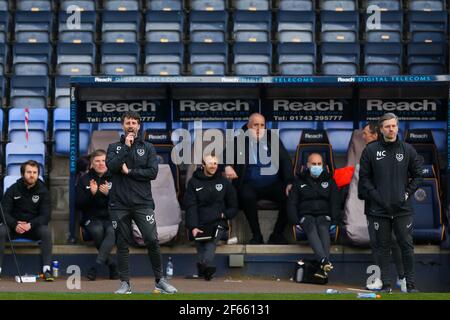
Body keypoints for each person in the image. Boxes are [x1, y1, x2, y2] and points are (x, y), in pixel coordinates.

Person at [106, 111, 177, 294]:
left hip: (142, 203)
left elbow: (152, 173)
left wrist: (130, 172)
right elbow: (112, 167)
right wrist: (126, 149)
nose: (131, 125)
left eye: (134, 123)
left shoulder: (148, 148)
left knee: (152, 239)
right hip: (119, 203)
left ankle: (160, 280)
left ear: (139, 126)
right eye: (128, 122)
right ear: (123, 125)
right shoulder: (114, 147)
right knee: (122, 243)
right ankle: (125, 283)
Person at [359, 113, 423, 293]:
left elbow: (418, 175)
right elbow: (364, 179)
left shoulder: (408, 149)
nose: (391, 129)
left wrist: (407, 193)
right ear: (381, 129)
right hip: (378, 209)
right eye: (387, 126)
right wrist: (376, 196)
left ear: (397, 127)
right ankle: (385, 284)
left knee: (406, 245)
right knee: (382, 247)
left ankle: (409, 284)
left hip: (402, 209)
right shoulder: (370, 150)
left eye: (393, 126)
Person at [223, 113, 294, 244]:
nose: (259, 128)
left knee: (291, 195)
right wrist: (227, 166)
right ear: (249, 126)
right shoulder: (239, 140)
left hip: (273, 183)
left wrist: (289, 181)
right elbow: (223, 157)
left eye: (262, 125)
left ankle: (277, 235)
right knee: (246, 196)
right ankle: (257, 236)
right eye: (256, 125)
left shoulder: (272, 138)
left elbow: (285, 161)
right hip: (249, 184)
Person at [361, 123, 406, 291]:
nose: (363, 136)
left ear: (374, 134)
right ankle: (377, 278)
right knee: (377, 244)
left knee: (394, 241)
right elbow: (364, 183)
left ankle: (403, 278)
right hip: (373, 207)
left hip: (391, 207)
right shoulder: (367, 152)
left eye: (365, 133)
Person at [184, 154, 238, 281]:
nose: (213, 166)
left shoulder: (224, 182)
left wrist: (224, 215)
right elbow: (190, 206)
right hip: (200, 222)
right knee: (201, 242)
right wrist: (193, 226)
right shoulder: (193, 182)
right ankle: (204, 269)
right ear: (203, 165)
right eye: (210, 163)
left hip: (218, 221)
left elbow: (234, 206)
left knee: (211, 241)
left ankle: (205, 266)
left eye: (215, 163)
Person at [287, 153, 341, 279]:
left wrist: (335, 220)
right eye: (313, 164)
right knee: (310, 225)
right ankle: (324, 261)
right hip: (306, 215)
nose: (316, 166)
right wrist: (295, 221)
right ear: (307, 165)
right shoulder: (299, 181)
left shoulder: (330, 181)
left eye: (319, 164)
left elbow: (335, 202)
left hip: (324, 215)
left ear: (323, 166)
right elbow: (292, 203)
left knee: (323, 227)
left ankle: (323, 263)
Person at [0, 160, 53, 281]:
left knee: (46, 231)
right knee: (1, 230)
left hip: (33, 228)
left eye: (35, 172)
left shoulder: (43, 191)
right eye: (29, 172)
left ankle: (47, 270)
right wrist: (14, 224)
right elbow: (3, 212)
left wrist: (30, 225)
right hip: (14, 227)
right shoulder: (12, 189)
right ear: (23, 174)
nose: (32, 175)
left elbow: (46, 216)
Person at [76, 149, 119, 281]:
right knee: (97, 231)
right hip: (91, 218)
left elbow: (124, 202)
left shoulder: (116, 178)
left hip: (111, 217)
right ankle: (112, 265)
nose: (101, 164)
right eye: (97, 161)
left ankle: (96, 266)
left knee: (112, 232)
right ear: (91, 164)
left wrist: (109, 194)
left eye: (104, 161)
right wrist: (92, 194)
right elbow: (79, 205)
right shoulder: (84, 180)